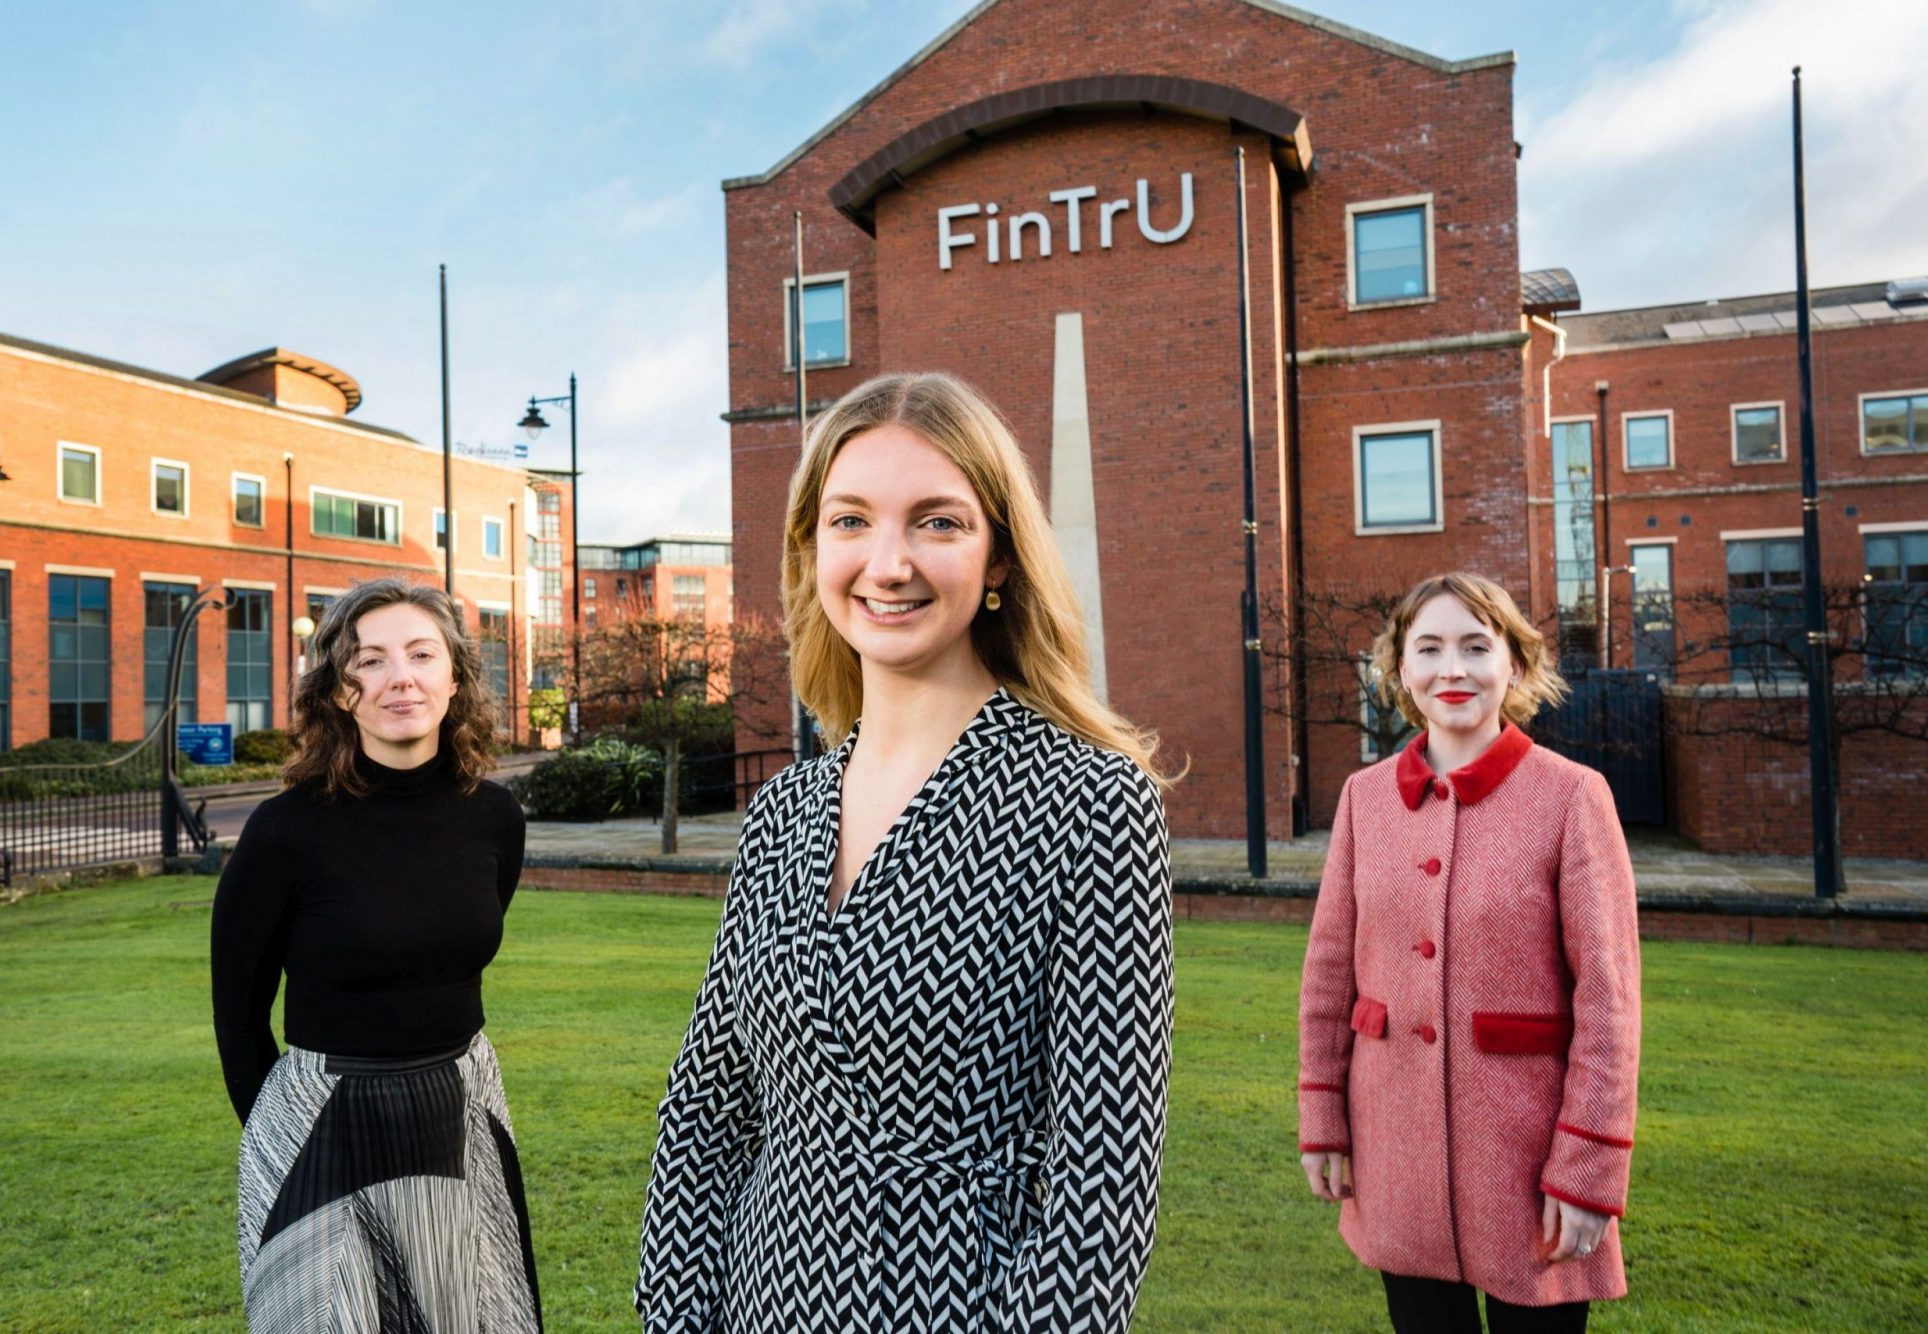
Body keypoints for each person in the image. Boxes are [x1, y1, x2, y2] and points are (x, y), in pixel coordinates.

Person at [635, 371, 1175, 1332]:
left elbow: (1101, 1186)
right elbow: (707, 1118)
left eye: (937, 521)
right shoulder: (786, 810)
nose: (888, 563)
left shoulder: (1089, 800)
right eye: (851, 521)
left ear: (999, 558)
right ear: (811, 550)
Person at [1297, 572, 1641, 1333]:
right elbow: (1328, 977)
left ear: (1514, 666)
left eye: (1476, 647)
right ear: (1401, 672)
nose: (1452, 670)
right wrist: (1321, 1117)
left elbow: (1609, 1005)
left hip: (1528, 1163)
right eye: (1429, 649)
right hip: (1396, 1158)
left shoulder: (1573, 798)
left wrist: (1586, 1171)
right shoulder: (1363, 798)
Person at [211, 577, 540, 1331]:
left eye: (422, 654)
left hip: (457, 1107)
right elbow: (239, 1019)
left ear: (454, 677)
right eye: (371, 660)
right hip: (322, 1122)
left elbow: (449, 954)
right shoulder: (284, 832)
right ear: (337, 688)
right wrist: (282, 1140)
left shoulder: (493, 817)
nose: (401, 678)